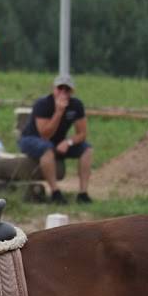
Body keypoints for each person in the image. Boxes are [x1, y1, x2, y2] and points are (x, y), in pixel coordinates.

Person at [18, 74, 93, 204]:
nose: (63, 92)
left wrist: (68, 142)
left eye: (67, 89)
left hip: (58, 141)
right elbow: (45, 135)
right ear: (54, 89)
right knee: (47, 148)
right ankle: (55, 192)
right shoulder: (42, 104)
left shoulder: (76, 105)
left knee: (87, 149)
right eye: (60, 88)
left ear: (72, 91)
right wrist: (58, 112)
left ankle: (83, 193)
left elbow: (82, 134)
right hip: (31, 139)